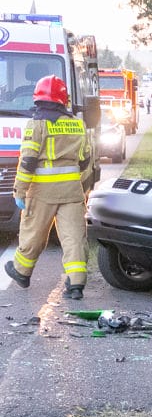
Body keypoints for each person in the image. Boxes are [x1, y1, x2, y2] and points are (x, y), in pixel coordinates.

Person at [4, 75, 90, 300]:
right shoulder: (77, 124)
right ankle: (76, 284)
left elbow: (28, 161)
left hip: (42, 192)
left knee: (33, 232)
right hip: (71, 191)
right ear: (63, 99)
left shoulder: (37, 124)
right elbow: (85, 159)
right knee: (74, 237)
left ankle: (22, 272)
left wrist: (19, 191)